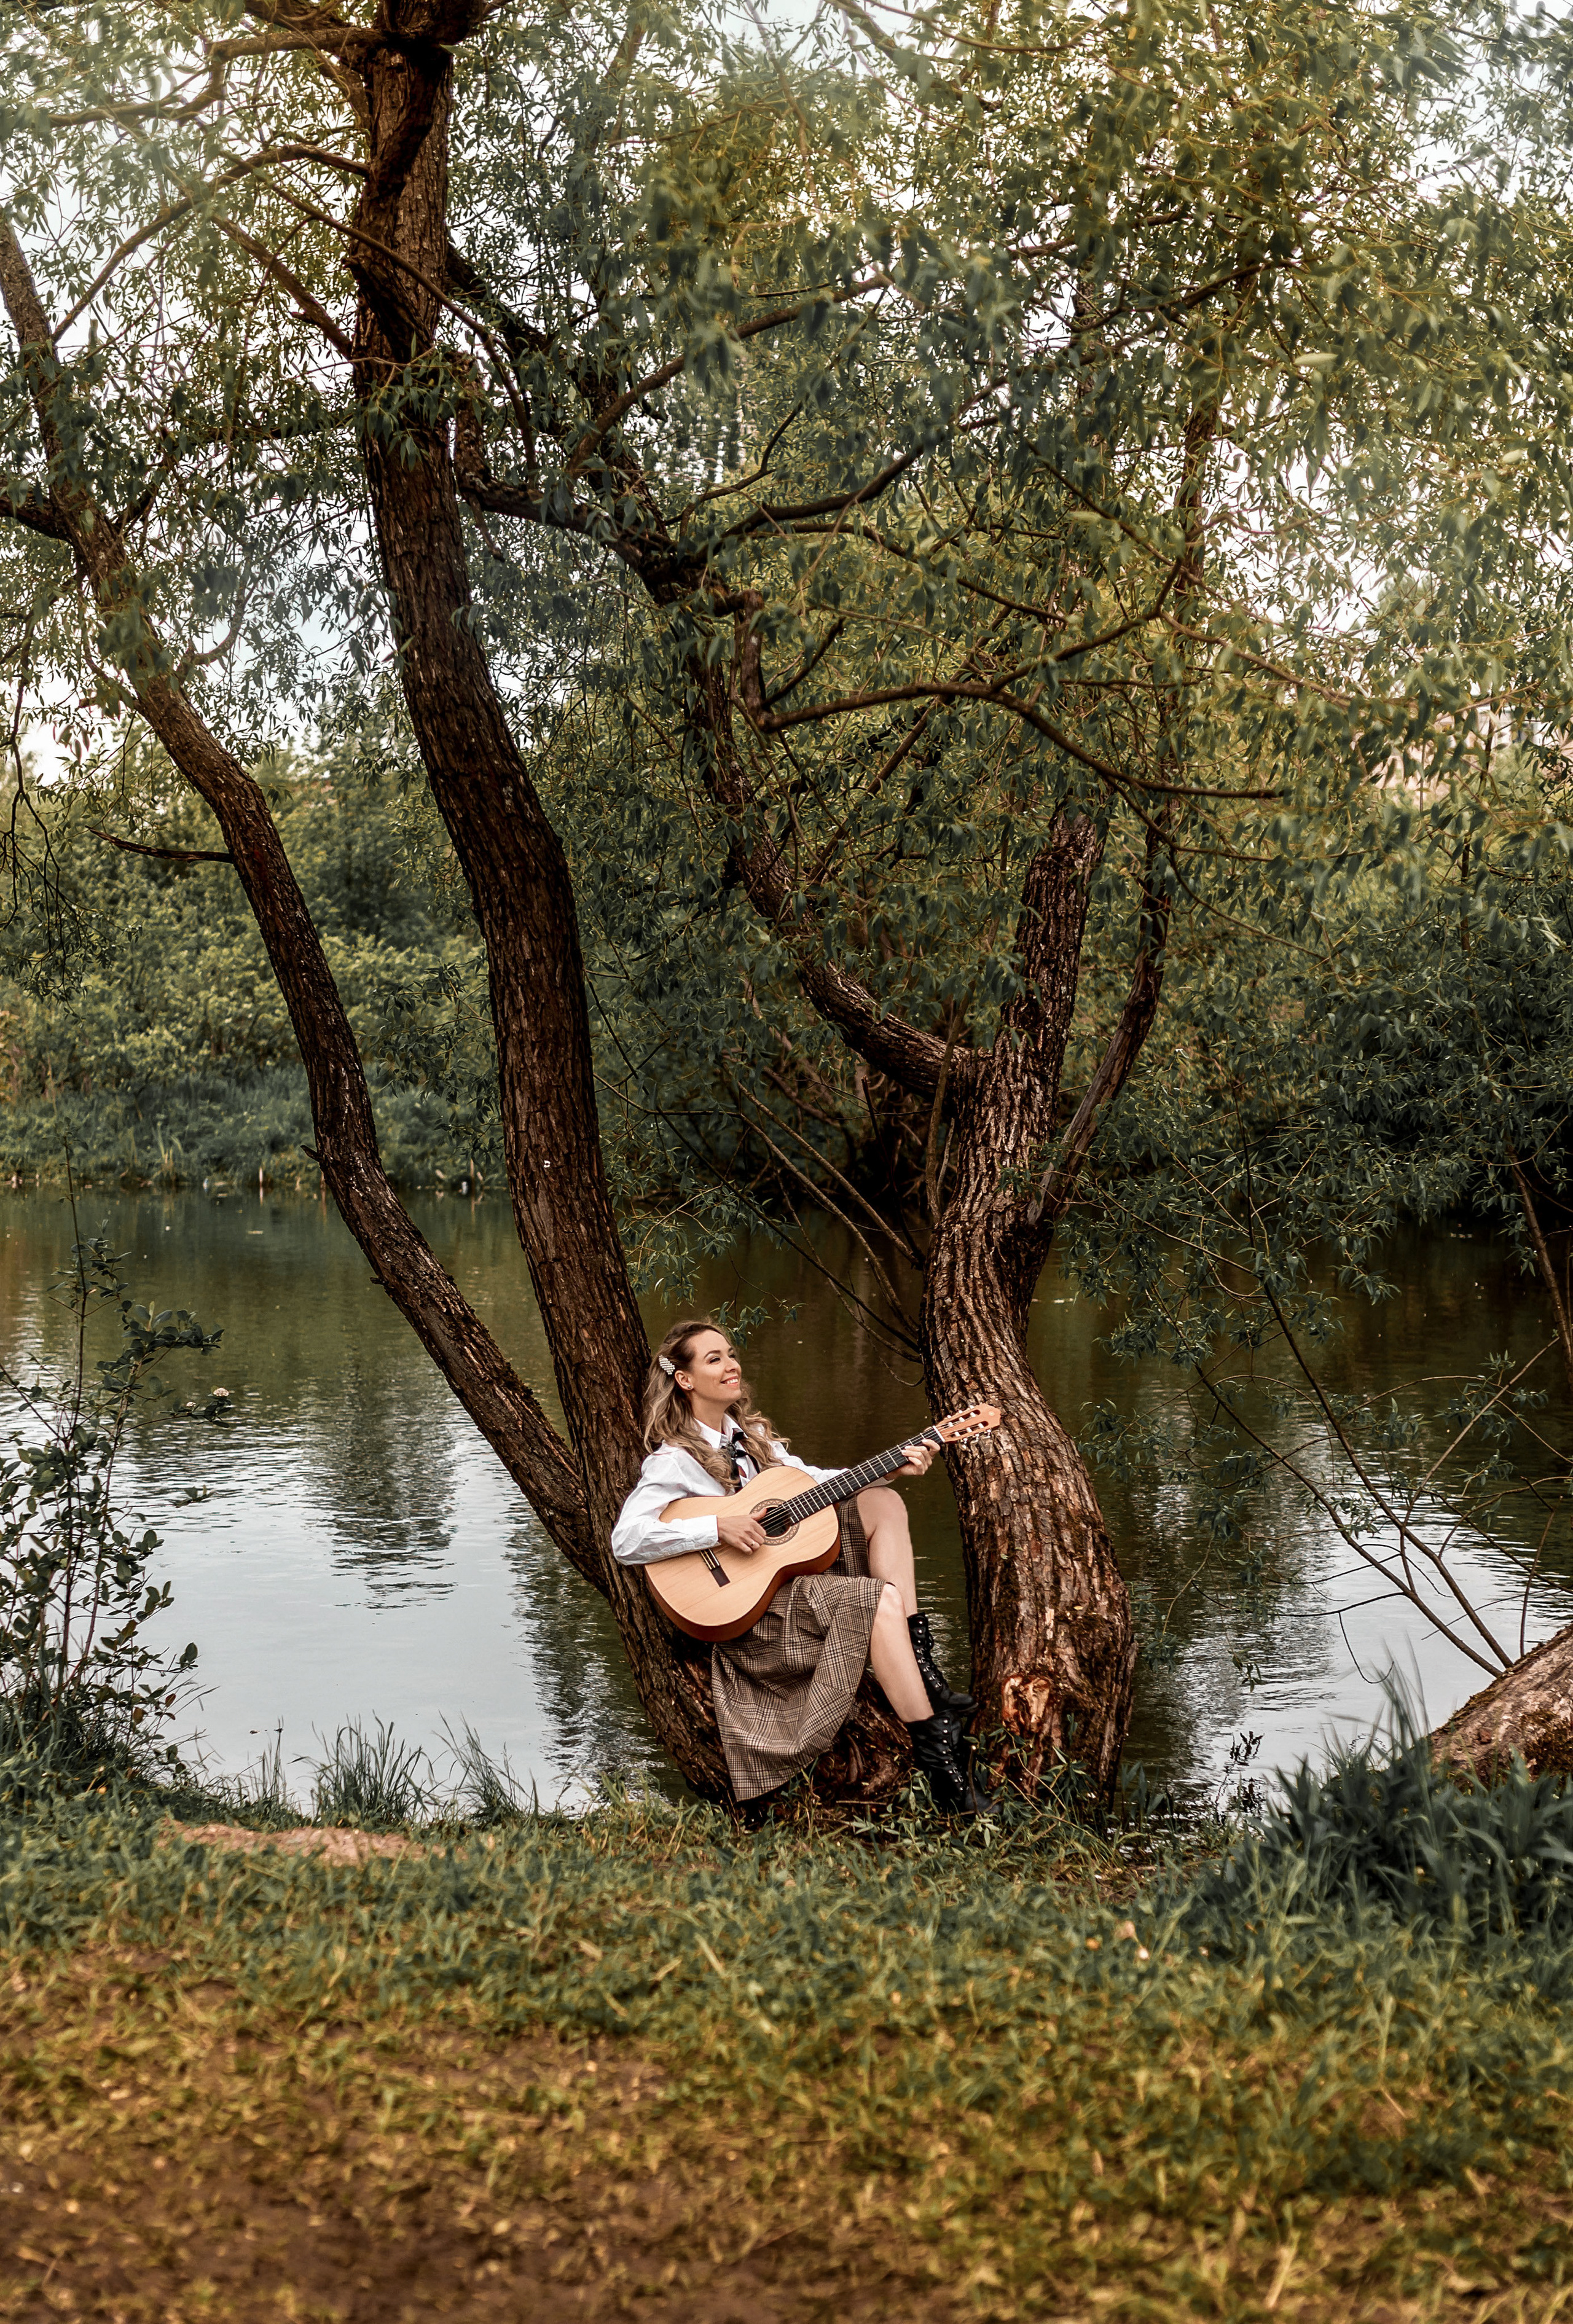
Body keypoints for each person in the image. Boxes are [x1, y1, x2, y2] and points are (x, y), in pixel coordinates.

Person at [611, 1318, 986, 1816]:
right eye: (714, 1358)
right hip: (753, 1607)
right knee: (878, 1598)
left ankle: (922, 1668)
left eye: (731, 1353)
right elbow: (626, 1540)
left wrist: (893, 1465)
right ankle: (941, 1762)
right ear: (684, 1379)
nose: (732, 1365)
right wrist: (716, 1529)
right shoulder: (674, 1461)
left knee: (882, 1503)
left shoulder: (756, 1437)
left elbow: (814, 1484)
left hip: (789, 1574)